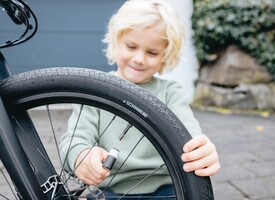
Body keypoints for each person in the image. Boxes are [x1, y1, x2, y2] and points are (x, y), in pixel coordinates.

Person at [59, 0, 220, 199]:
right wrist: (81, 156)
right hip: (108, 191)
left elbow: (189, 133)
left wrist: (201, 150)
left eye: (152, 52)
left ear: (165, 57)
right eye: (131, 46)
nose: (139, 58)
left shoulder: (171, 92)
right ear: (116, 43)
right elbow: (74, 139)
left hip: (167, 190)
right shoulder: (94, 91)